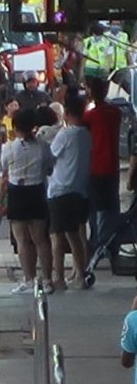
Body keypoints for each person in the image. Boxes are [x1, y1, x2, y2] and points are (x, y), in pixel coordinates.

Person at [0, 108, 54, 294]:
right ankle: (47, 280)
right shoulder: (43, 146)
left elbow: (3, 173)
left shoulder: (8, 148)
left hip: (16, 193)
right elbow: (49, 168)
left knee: (22, 240)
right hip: (37, 191)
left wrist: (0, 201)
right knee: (41, 239)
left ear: (14, 126)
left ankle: (29, 279)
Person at [47, 95, 92, 291]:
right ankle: (81, 275)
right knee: (74, 234)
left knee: (57, 236)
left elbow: (50, 158)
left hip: (60, 189)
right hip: (80, 189)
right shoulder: (88, 134)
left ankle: (59, 278)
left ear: (66, 113)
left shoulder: (65, 135)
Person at [82, 77, 121, 257]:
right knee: (112, 206)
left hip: (95, 167)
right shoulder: (115, 112)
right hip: (112, 166)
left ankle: (98, 244)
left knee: (94, 209)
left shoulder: (90, 116)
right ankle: (112, 242)